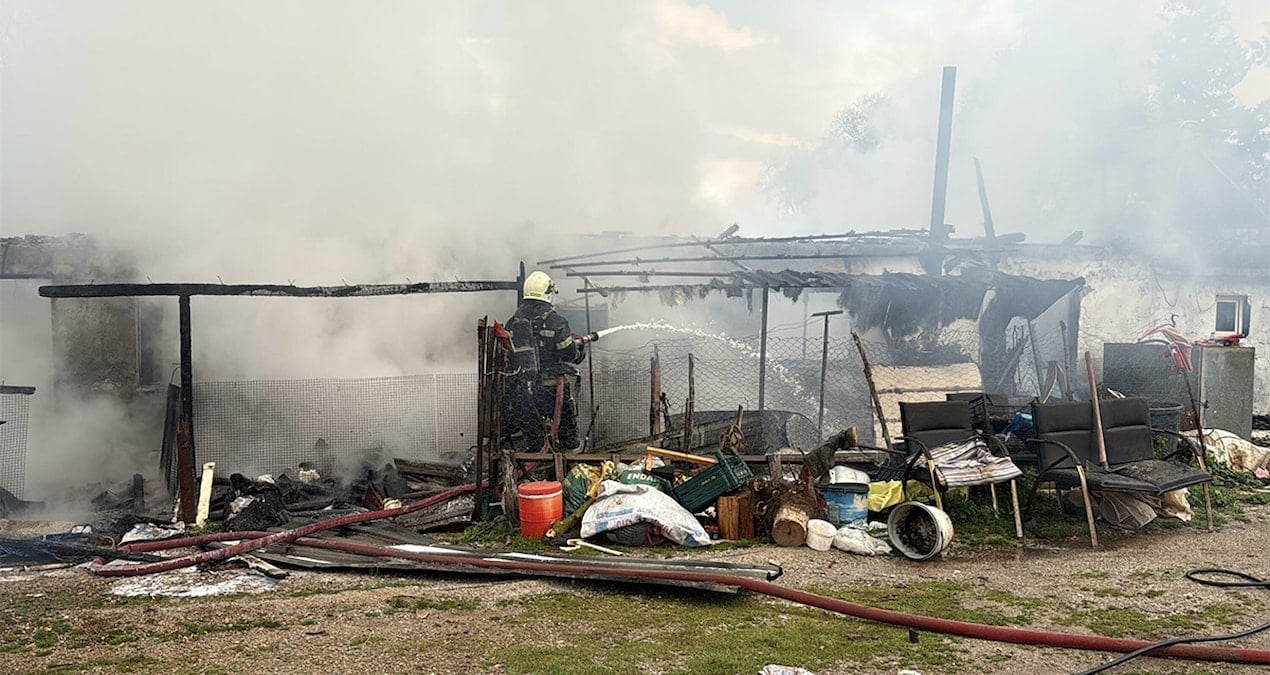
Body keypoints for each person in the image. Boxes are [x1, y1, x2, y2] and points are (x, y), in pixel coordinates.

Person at [505, 271, 589, 453]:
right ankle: (568, 467)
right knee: (567, 433)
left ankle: (534, 470)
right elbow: (569, 353)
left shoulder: (512, 322)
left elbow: (507, 355)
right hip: (553, 390)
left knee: (533, 437)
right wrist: (579, 349)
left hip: (524, 391)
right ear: (548, 293)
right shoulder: (556, 322)